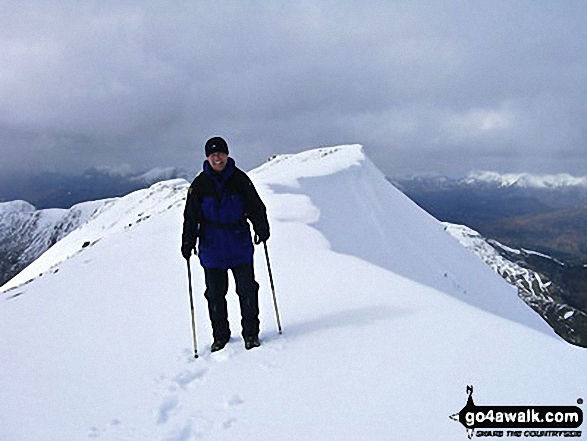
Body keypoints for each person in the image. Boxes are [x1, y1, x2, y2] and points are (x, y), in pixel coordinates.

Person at [181, 136, 270, 352]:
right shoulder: (200, 185)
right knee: (215, 294)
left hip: (238, 242)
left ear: (227, 154)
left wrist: (262, 227)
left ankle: (251, 334)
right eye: (213, 154)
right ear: (207, 157)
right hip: (212, 246)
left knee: (247, 290)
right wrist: (187, 241)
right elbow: (191, 217)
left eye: (220, 153)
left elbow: (256, 207)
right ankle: (220, 336)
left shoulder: (240, 180)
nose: (217, 158)